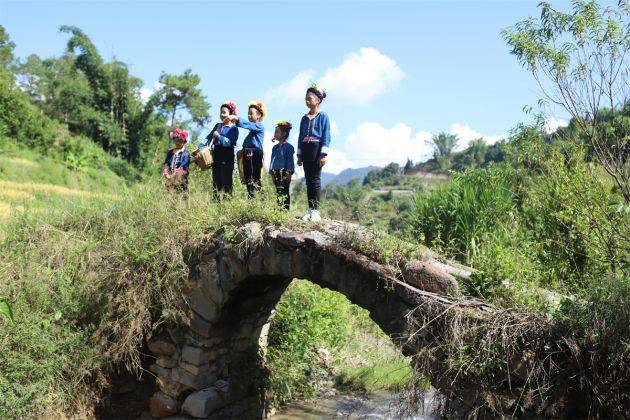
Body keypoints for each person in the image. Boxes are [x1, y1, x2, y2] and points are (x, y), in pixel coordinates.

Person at [297, 84, 330, 221]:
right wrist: (299, 155)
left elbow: (326, 135)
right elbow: (300, 137)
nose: (307, 100)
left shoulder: (323, 116)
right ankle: (310, 211)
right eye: (306, 98)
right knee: (308, 182)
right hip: (306, 150)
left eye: (310, 98)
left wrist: (323, 154)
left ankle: (316, 212)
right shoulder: (304, 118)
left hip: (316, 150)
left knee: (315, 180)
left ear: (318, 100)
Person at [198, 101, 239, 197]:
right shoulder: (218, 126)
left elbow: (229, 143)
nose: (222, 114)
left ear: (231, 115)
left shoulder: (233, 128)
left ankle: (227, 203)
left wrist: (219, 136)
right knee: (216, 182)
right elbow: (208, 139)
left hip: (227, 159)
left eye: (224, 112)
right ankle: (216, 202)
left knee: (227, 182)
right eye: (221, 112)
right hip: (216, 157)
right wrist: (200, 148)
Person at [229, 101, 266, 198]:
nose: (249, 115)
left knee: (256, 178)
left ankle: (263, 199)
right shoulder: (251, 132)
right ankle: (251, 200)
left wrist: (237, 118)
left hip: (255, 155)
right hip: (248, 155)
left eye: (251, 113)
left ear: (258, 115)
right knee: (248, 178)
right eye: (248, 113)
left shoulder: (259, 126)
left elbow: (248, 125)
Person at [269, 120, 294, 210]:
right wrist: (271, 171)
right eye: (275, 132)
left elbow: (290, 161)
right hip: (276, 172)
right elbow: (272, 160)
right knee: (278, 191)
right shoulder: (274, 148)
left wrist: (289, 172)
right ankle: (279, 209)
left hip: (285, 173)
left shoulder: (289, 147)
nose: (275, 134)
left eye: (277, 132)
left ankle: (285, 210)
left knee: (285, 191)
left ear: (284, 134)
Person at [162, 128, 191, 193]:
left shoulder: (186, 153)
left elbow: (184, 165)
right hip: (170, 175)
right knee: (169, 192)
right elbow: (166, 163)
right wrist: (166, 171)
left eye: (180, 140)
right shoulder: (170, 152)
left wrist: (176, 173)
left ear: (184, 142)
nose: (178, 142)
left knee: (181, 193)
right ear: (174, 140)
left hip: (181, 177)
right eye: (176, 140)